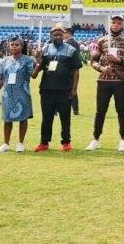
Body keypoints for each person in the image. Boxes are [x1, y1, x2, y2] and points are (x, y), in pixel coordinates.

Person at [86, 15, 124, 152]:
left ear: (122, 25)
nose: (116, 25)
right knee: (100, 111)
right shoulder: (101, 40)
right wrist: (102, 68)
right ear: (110, 23)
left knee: (121, 110)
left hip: (120, 81)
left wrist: (119, 60)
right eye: (113, 22)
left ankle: (123, 139)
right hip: (104, 80)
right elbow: (93, 60)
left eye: (119, 23)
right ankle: (96, 139)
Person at [32, 24, 82, 152]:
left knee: (65, 117)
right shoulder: (45, 49)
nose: (58, 37)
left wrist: (74, 89)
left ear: (64, 35)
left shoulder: (71, 50)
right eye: (55, 35)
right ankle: (44, 142)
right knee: (46, 117)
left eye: (60, 34)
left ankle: (66, 142)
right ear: (51, 36)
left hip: (65, 90)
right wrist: (38, 60)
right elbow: (37, 71)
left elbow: (76, 70)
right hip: (47, 89)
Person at [0, 35, 37, 152]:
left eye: (17, 45)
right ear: (8, 46)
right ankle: (6, 143)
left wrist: (39, 65)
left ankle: (20, 143)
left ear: (21, 46)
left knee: (23, 119)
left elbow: (33, 75)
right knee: (7, 119)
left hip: (23, 93)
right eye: (12, 45)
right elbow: (1, 79)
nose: (14, 47)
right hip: (7, 94)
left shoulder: (28, 60)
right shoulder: (4, 61)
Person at [63, 27, 82, 115]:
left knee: (63, 90)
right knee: (73, 89)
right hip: (74, 68)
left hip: (67, 69)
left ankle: (57, 109)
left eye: (64, 33)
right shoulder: (76, 43)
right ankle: (75, 109)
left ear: (68, 33)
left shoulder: (67, 43)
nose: (63, 35)